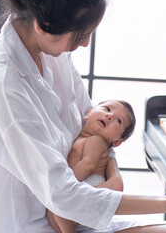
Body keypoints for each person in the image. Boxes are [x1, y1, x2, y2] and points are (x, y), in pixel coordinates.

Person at [0, 0, 166, 232]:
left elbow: (93, 121)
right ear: (43, 26)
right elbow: (63, 195)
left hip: (78, 215)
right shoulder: (2, 88)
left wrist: (111, 170)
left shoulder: (50, 53)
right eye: (81, 35)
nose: (85, 44)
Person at [47, 99, 136, 233]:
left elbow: (88, 164)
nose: (110, 115)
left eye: (119, 121)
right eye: (107, 109)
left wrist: (65, 184)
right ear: (89, 113)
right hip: (84, 187)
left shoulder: (97, 140)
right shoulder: (81, 137)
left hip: (90, 185)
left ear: (117, 142)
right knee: (56, 210)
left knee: (59, 205)